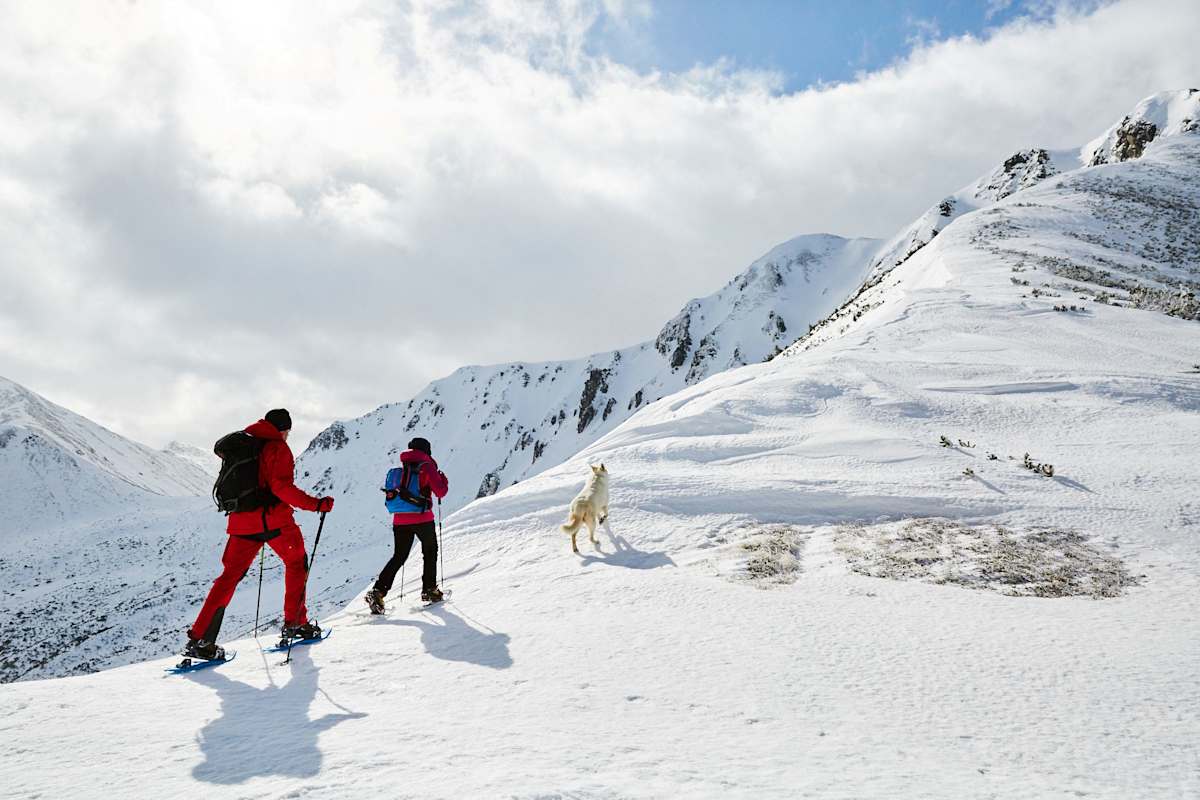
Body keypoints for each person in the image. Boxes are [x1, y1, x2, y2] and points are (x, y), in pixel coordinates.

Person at [185, 409, 335, 659]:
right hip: (274, 522)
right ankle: (296, 623)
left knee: (228, 578)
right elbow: (281, 488)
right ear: (283, 429)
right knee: (297, 562)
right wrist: (316, 504)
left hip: (240, 524)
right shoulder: (277, 448)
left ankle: (201, 639)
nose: (288, 435)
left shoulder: (245, 444)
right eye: (287, 431)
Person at [365, 436, 449, 613]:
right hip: (422, 518)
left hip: (399, 519)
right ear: (427, 451)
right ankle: (430, 590)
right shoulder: (426, 466)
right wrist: (443, 479)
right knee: (430, 551)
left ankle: (378, 591)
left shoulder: (401, 469)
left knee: (399, 556)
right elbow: (441, 491)